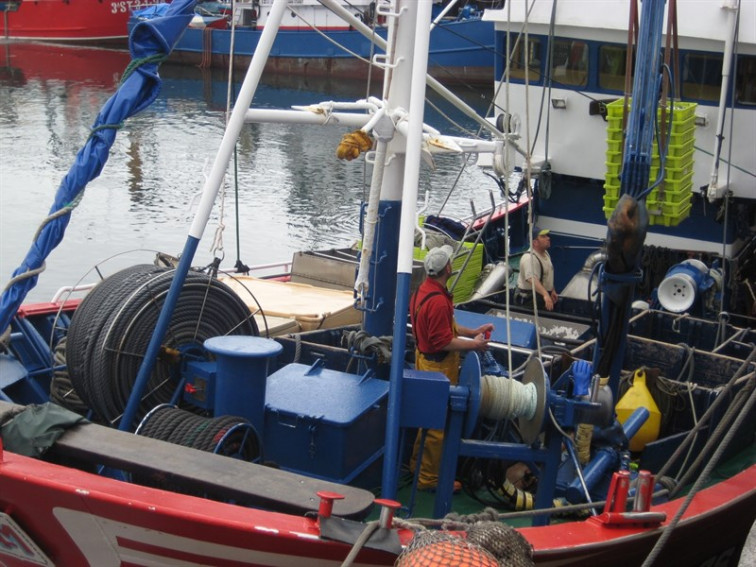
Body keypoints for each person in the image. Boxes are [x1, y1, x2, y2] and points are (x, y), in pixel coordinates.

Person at [409, 244, 494, 491]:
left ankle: (417, 466)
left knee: (424, 417)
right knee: (436, 424)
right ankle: (428, 479)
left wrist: (473, 332)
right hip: (438, 367)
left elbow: (448, 328)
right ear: (448, 268)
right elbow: (444, 341)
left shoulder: (423, 292)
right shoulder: (438, 302)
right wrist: (475, 345)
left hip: (423, 360)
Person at [515, 226, 559, 311]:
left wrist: (552, 289)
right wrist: (546, 295)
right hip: (529, 300)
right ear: (535, 242)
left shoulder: (545, 253)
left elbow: (547, 274)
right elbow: (532, 279)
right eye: (543, 236)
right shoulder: (530, 258)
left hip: (540, 295)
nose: (548, 238)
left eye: (547, 235)